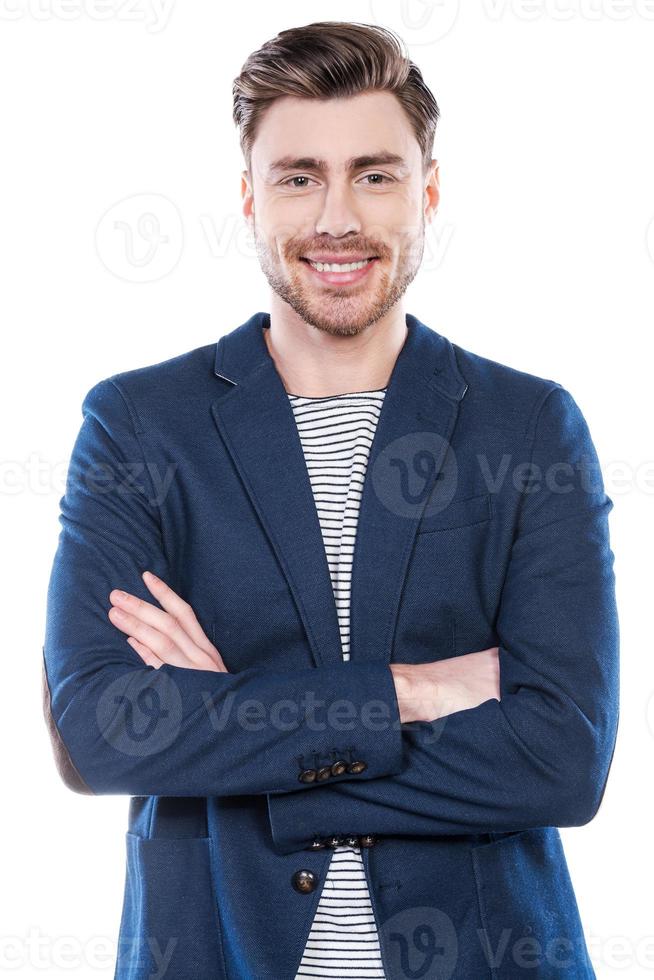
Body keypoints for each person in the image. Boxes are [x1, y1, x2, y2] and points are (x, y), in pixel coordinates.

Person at [42, 20, 619, 980]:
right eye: (299, 176)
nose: (336, 218)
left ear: (428, 192)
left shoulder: (529, 428)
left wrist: (239, 734)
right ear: (248, 197)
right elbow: (100, 734)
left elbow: (562, 758)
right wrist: (414, 693)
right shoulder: (141, 426)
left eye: (376, 174)